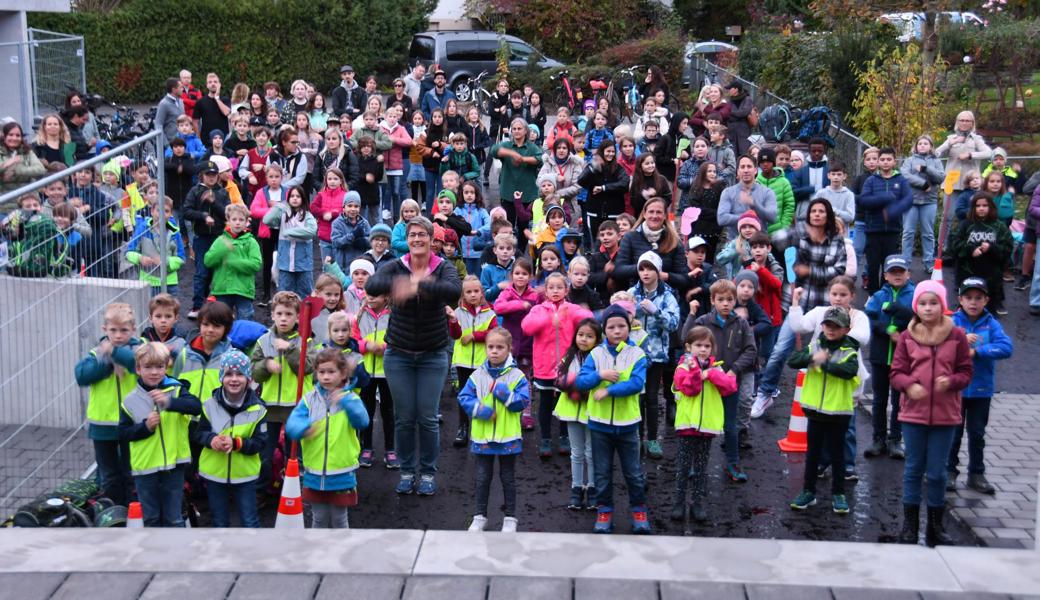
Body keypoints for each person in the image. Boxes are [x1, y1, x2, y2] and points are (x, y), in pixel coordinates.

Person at [365, 216, 462, 496]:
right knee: (405, 417)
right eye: (412, 235)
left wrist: (418, 284)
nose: (417, 239)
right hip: (399, 354)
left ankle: (428, 472)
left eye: (422, 234)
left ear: (432, 239)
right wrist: (401, 282)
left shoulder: (443, 268)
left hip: (433, 354)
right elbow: (373, 285)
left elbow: (453, 291)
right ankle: (407, 470)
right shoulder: (396, 265)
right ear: (406, 240)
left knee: (428, 417)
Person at [891, 280, 973, 547]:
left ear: (943, 305)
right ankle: (909, 526)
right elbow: (897, 373)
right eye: (923, 303)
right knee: (913, 469)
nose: (928, 308)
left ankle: (936, 526)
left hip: (945, 415)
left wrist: (951, 382)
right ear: (916, 307)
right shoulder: (907, 336)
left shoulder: (957, 335)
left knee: (937, 472)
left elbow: (965, 372)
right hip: (913, 415)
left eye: (933, 303)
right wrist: (909, 386)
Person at [576, 303, 651, 534]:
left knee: (633, 473)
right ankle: (604, 511)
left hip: (628, 425)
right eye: (611, 327)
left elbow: (636, 384)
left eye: (621, 326)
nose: (617, 331)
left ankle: (639, 511)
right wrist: (600, 375)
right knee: (602, 473)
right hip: (599, 425)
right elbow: (581, 381)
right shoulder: (596, 354)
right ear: (604, 330)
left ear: (629, 327)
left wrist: (609, 390)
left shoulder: (637, 353)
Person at [787, 306, 859, 515]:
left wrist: (823, 363)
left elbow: (848, 371)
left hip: (838, 412)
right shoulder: (816, 345)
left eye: (836, 326)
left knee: (837, 454)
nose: (831, 329)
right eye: (828, 325)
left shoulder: (849, 350)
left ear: (846, 329)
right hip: (815, 411)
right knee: (813, 454)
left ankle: (839, 493)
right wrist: (812, 359)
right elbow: (793, 361)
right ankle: (808, 491)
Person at [119, 342, 200, 527]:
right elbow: (123, 434)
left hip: (175, 465)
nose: (154, 372)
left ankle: (175, 554)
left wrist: (170, 402)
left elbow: (196, 407)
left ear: (166, 367)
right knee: (151, 519)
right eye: (148, 367)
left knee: (174, 518)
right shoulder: (130, 401)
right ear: (138, 369)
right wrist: (145, 427)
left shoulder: (177, 390)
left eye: (159, 366)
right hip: (145, 469)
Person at [285, 348, 369, 528]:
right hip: (314, 471)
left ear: (343, 373)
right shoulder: (309, 399)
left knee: (340, 519)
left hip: (342, 471)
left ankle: (341, 554)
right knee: (319, 518)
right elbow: (292, 424)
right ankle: (319, 553)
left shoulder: (351, 399)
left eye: (331, 372)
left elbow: (363, 421)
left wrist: (344, 401)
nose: (326, 377)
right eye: (321, 372)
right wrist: (303, 429)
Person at [682, 280, 757, 482]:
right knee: (698, 425)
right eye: (720, 299)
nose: (725, 303)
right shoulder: (704, 321)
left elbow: (751, 350)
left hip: (728, 384)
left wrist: (734, 370)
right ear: (712, 300)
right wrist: (691, 314)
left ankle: (732, 463)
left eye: (730, 300)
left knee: (730, 426)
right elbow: (686, 340)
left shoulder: (741, 324)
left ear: (735, 301)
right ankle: (693, 465)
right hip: (704, 384)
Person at [947, 278, 1013, 495]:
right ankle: (949, 471)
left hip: (981, 390)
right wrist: (962, 340)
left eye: (978, 298)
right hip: (956, 389)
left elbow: (1005, 348)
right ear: (960, 300)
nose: (973, 302)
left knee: (977, 433)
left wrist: (978, 351)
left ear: (986, 300)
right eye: (968, 298)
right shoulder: (952, 322)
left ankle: (976, 473)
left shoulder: (991, 323)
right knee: (953, 433)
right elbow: (941, 344)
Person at [73, 303, 141, 507]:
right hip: (102, 425)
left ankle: (134, 513)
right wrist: (110, 362)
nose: (118, 336)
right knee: (109, 475)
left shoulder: (139, 349)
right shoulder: (97, 353)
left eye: (124, 330)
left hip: (132, 423)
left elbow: (135, 364)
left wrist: (113, 351)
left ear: (133, 329)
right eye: (113, 330)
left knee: (132, 472)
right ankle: (113, 514)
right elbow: (82, 375)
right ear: (105, 330)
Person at [522, 272, 594, 458]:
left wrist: (581, 310)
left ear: (566, 290)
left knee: (565, 401)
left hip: (567, 366)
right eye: (551, 287)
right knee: (545, 403)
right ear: (545, 291)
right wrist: (548, 320)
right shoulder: (538, 309)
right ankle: (545, 439)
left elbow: (589, 318)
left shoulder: (571, 309)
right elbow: (527, 327)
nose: (555, 291)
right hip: (544, 367)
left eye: (559, 287)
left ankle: (564, 437)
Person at [191, 350, 266, 528]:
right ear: (221, 378)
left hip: (245, 475)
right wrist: (211, 440)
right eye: (228, 374)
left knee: (250, 520)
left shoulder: (259, 409)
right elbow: (198, 432)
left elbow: (261, 442)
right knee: (219, 521)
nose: (234, 379)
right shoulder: (208, 405)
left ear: (249, 379)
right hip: (215, 474)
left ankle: (254, 554)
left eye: (240, 374)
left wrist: (237, 443)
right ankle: (220, 554)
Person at [671, 325, 737, 523]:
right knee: (683, 468)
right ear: (688, 347)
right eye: (698, 345)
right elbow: (691, 389)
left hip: (706, 427)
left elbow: (730, 386)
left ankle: (697, 503)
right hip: (687, 426)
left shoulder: (716, 368)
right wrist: (695, 372)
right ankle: (679, 502)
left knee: (701, 468)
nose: (703, 349)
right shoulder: (682, 368)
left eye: (707, 345)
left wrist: (710, 374)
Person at [863, 255, 916, 458]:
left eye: (901, 272)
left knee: (899, 400)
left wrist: (900, 316)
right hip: (880, 356)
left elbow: (917, 317)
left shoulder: (914, 295)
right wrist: (888, 330)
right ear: (885, 275)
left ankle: (895, 439)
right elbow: (868, 319)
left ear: (908, 274)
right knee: (879, 399)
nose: (897, 275)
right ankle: (878, 439)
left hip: (905, 358)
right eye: (892, 272)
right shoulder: (878, 296)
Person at [629, 251, 680, 459]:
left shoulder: (667, 294)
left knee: (651, 397)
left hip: (657, 354)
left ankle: (652, 440)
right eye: (642, 268)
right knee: (637, 398)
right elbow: (620, 316)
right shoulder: (632, 292)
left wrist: (656, 312)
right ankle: (636, 438)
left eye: (650, 268)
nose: (646, 273)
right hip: (635, 354)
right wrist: (633, 312)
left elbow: (674, 322)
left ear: (658, 271)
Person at [554, 318, 602, 510]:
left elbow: (599, 382)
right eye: (580, 335)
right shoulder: (569, 356)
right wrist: (568, 385)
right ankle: (576, 489)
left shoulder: (599, 357)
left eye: (589, 336)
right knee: (576, 452)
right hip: (571, 409)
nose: (583, 339)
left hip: (591, 410)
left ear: (597, 340)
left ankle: (592, 488)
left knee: (591, 453)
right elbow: (558, 378)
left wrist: (579, 387)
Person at [859, 147, 912, 292]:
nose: (885, 162)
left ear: (894, 162)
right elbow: (863, 201)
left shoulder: (901, 180)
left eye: (889, 159)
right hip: (873, 230)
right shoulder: (871, 180)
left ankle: (885, 293)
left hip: (892, 231)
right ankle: (872, 295)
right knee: (873, 265)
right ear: (878, 162)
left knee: (888, 265)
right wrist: (885, 198)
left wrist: (893, 210)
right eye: (882, 159)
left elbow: (908, 200)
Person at [182, 161, 231, 319]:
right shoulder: (195, 191)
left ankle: (216, 306)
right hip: (201, 237)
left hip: (219, 237)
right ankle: (197, 306)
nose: (211, 178)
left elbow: (227, 214)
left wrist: (213, 202)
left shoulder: (222, 192)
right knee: (201, 272)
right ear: (201, 175)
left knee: (218, 271)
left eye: (214, 174)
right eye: (208, 174)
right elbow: (186, 211)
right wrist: (203, 216)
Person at [952, 193, 1013, 316]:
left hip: (991, 275)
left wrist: (992, 248)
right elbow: (954, 245)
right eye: (977, 205)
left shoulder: (999, 226)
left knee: (988, 312)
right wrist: (970, 250)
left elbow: (1008, 248)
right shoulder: (966, 224)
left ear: (991, 207)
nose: (981, 208)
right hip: (968, 272)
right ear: (973, 208)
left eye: (985, 205)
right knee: (966, 309)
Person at [613, 197, 689, 294]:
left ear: (665, 215)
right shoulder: (630, 237)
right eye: (651, 212)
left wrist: (666, 276)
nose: (654, 215)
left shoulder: (675, 241)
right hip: (636, 294)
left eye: (659, 212)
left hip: (666, 295)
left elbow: (684, 279)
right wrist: (644, 268)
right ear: (644, 214)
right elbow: (619, 270)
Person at [204, 203, 262, 320]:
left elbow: (256, 264)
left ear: (247, 222)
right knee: (221, 322)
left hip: (244, 291)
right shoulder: (221, 241)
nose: (237, 222)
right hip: (222, 290)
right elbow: (208, 261)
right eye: (234, 219)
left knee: (244, 323)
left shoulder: (251, 242)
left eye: (241, 219)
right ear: (228, 221)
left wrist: (232, 261)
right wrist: (223, 249)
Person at [792, 199, 847, 311]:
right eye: (813, 211)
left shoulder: (837, 240)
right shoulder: (800, 235)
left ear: (828, 216)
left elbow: (839, 270)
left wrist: (810, 271)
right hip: (800, 300)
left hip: (825, 301)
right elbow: (776, 240)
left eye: (821, 211)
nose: (817, 214)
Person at [901, 135, 946, 273]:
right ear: (916, 146)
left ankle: (928, 263)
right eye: (920, 143)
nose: (922, 145)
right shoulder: (909, 160)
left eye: (925, 143)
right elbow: (905, 175)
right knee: (908, 232)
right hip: (910, 201)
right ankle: (905, 263)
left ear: (931, 146)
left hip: (929, 201)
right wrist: (923, 183)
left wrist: (926, 169)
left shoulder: (936, 161)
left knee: (928, 233)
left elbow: (940, 177)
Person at [263, 186, 317, 299]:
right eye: (292, 196)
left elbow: (311, 231)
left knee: (305, 294)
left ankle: (304, 316)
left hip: (303, 265)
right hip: (285, 264)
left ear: (303, 199)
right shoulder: (282, 215)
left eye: (298, 196)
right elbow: (266, 220)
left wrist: (289, 232)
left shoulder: (307, 216)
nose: (295, 199)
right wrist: (278, 207)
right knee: (284, 295)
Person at [491, 118, 543, 236]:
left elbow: (540, 160)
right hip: (508, 193)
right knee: (507, 225)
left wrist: (523, 159)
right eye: (514, 129)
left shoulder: (532, 147)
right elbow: (494, 151)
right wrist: (512, 153)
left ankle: (520, 250)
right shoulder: (507, 145)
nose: (516, 131)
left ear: (525, 131)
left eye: (519, 128)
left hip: (527, 194)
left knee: (524, 226)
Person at [126, 196, 185, 296]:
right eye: (159, 210)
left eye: (166, 211)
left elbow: (181, 258)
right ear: (152, 211)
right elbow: (129, 252)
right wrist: (140, 258)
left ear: (170, 214)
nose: (162, 214)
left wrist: (165, 262)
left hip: (169, 283)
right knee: (148, 311)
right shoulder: (142, 229)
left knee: (169, 311)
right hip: (147, 282)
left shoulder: (175, 233)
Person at [718, 155, 778, 241]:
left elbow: (772, 217)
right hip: (734, 245)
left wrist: (754, 204)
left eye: (749, 166)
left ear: (755, 170)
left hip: (759, 245)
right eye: (742, 167)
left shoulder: (767, 192)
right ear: (738, 171)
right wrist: (747, 217)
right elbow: (722, 219)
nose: (746, 170)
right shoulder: (728, 192)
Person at [935, 111, 991, 192]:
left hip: (971, 183)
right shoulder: (951, 138)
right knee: (950, 205)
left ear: (972, 123)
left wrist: (970, 155)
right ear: (957, 122)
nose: (964, 123)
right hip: (951, 183)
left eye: (967, 121)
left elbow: (989, 153)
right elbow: (936, 154)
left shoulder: (976, 139)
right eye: (962, 120)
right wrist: (951, 143)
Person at [755, 148, 795, 248]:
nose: (765, 164)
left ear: (773, 163)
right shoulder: (755, 183)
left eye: (768, 161)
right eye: (762, 162)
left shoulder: (783, 182)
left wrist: (783, 226)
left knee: (780, 262)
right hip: (759, 234)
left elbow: (789, 206)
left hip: (778, 234)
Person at [193, 73, 231, 145]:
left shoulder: (225, 99)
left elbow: (226, 112)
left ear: (219, 84)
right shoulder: (200, 102)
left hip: (223, 139)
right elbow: (195, 121)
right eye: (210, 82)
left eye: (215, 82)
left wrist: (217, 98)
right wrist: (198, 138)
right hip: (206, 140)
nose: (213, 84)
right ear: (207, 85)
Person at [156, 77, 185, 145]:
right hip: (171, 144)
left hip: (182, 143)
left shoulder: (180, 101)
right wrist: (166, 145)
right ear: (174, 89)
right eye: (180, 87)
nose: (182, 89)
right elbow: (158, 125)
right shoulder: (164, 104)